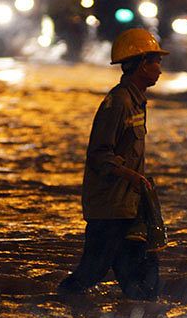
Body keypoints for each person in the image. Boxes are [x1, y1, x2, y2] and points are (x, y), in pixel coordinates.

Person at [58, 28, 168, 300]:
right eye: (156, 62)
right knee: (92, 272)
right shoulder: (117, 103)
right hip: (110, 208)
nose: (160, 70)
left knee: (142, 284)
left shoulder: (136, 102)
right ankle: (56, 310)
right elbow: (99, 154)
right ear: (141, 64)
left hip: (127, 206)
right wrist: (132, 176)